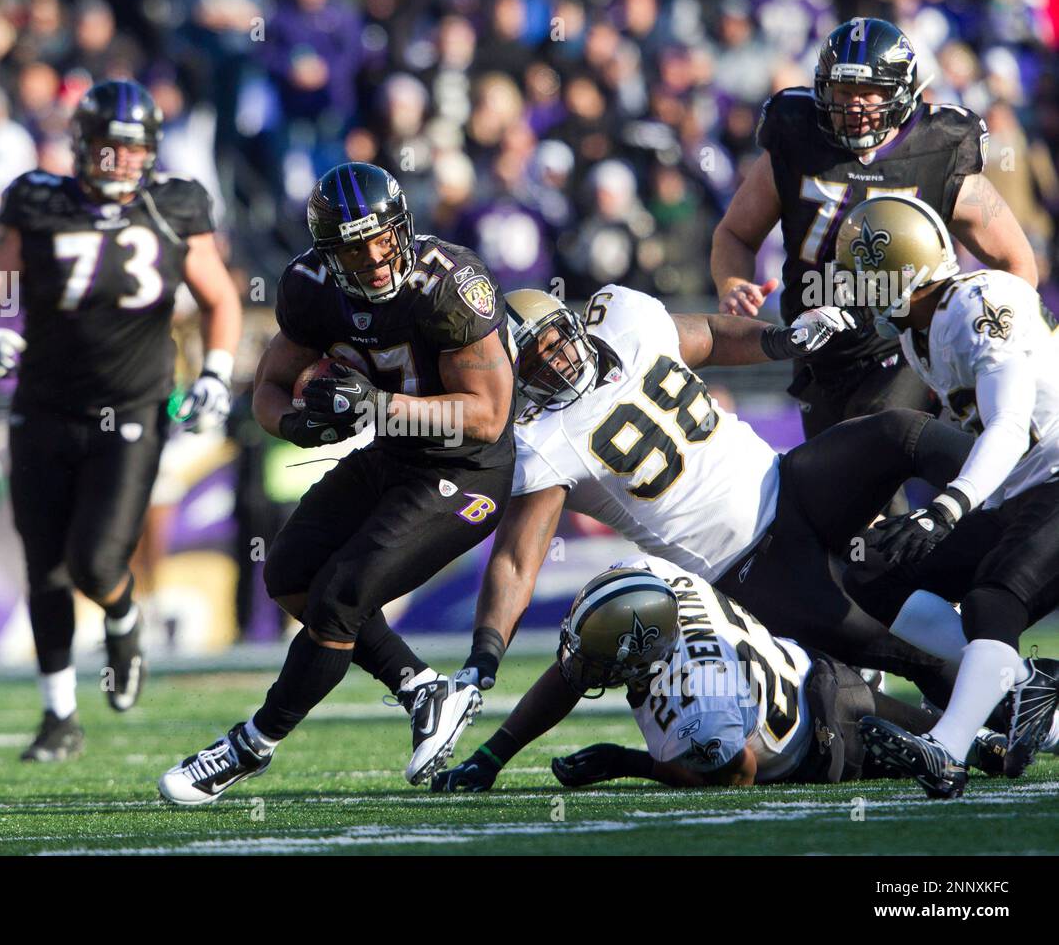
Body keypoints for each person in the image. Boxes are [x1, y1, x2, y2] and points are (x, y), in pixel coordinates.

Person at [157, 162, 516, 804]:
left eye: (384, 238)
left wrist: (376, 408)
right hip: (393, 455)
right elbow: (266, 389)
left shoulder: (450, 286)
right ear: (330, 253)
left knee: (340, 596)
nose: (377, 258)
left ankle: (249, 746)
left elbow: (488, 417)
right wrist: (298, 425)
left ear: (402, 226)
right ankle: (422, 689)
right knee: (289, 572)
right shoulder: (311, 285)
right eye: (356, 246)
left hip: (466, 472)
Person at [450, 285, 975, 708]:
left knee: (896, 433)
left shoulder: (624, 318)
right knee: (896, 653)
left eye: (555, 342)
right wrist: (484, 657)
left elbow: (706, 334)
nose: (557, 363)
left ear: (573, 323)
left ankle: (1011, 479)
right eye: (536, 363)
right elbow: (517, 561)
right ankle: (994, 717)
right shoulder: (540, 441)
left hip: (788, 481)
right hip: (747, 569)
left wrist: (782, 340)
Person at [0, 80, 243, 762]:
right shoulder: (38, 200)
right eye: (110, 146)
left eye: (135, 148)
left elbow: (219, 296)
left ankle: (124, 620)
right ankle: (58, 714)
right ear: (82, 145)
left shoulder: (174, 204)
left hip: (131, 408)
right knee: (44, 567)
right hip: (42, 406)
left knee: (94, 562)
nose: (123, 160)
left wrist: (215, 369)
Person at [827, 194, 1059, 798]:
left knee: (993, 601)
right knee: (877, 574)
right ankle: (1025, 694)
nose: (858, 293)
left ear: (905, 276)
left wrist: (949, 506)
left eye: (867, 281)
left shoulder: (982, 305)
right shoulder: (920, 330)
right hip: (1017, 488)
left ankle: (947, 749)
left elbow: (1009, 423)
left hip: (1052, 473)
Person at [711, 18, 1036, 447]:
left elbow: (1016, 261)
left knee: (869, 460)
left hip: (903, 350)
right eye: (844, 92)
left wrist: (984, 336)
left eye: (870, 93)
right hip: (815, 349)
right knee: (834, 499)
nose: (855, 106)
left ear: (900, 93)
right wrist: (732, 283)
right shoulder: (796, 138)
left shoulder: (937, 148)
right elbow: (734, 234)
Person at [433, 554, 1006, 793]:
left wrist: (624, 762)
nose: (583, 670)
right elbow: (572, 672)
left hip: (814, 748)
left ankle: (958, 741)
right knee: (951, 738)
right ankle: (979, 739)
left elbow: (739, 774)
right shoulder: (649, 578)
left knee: (924, 755)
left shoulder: (698, 705)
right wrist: (492, 755)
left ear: (645, 656)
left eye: (601, 661)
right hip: (815, 671)